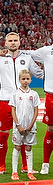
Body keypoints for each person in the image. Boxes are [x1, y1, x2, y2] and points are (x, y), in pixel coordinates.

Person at [0, 32, 43, 174]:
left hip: (24, 103)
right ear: (5, 43)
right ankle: (2, 166)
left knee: (24, 133)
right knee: (4, 133)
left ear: (19, 42)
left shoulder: (27, 58)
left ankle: (24, 166)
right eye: (10, 40)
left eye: (15, 40)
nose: (13, 43)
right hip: (5, 102)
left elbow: (39, 74)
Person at [9, 69, 40, 181]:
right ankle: (14, 172)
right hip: (18, 126)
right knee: (17, 147)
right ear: (19, 80)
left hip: (30, 126)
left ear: (31, 80)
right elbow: (13, 110)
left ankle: (30, 172)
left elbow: (36, 111)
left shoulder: (34, 94)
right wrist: (18, 125)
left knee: (28, 147)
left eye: (27, 79)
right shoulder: (15, 94)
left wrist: (31, 125)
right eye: (23, 79)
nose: (25, 81)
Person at [27, 45, 53, 174]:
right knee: (51, 129)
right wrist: (9, 52)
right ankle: (45, 164)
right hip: (51, 95)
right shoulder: (46, 51)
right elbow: (29, 54)